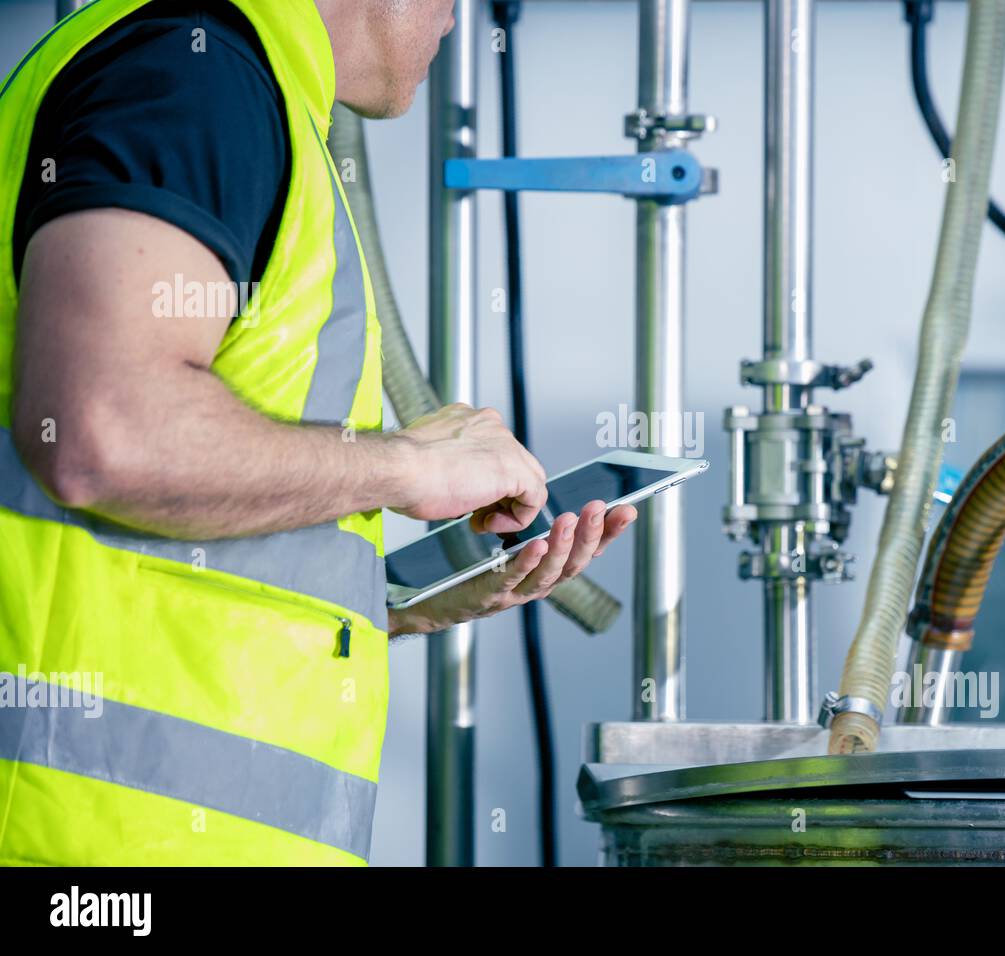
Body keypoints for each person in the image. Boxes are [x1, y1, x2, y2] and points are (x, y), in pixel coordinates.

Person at [0, 0, 634, 865]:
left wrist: (397, 601)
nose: (455, 20)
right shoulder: (193, 71)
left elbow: (178, 557)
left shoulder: (245, 90)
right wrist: (408, 466)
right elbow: (101, 431)